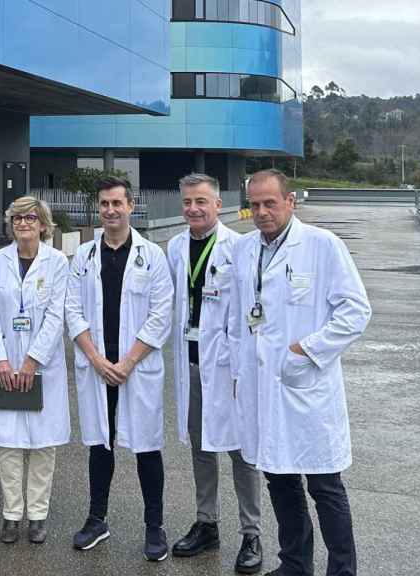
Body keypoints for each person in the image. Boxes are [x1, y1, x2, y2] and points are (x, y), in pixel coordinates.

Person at [229, 169, 371, 576]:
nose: (261, 212)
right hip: (263, 387)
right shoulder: (244, 250)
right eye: (254, 204)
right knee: (280, 480)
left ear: (290, 202)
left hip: (306, 386)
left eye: (270, 203)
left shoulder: (322, 245)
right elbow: (241, 317)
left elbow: (356, 311)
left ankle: (342, 570)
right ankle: (294, 564)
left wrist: (305, 350)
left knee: (325, 487)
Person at [66, 176, 174, 561]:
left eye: (117, 203)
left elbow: (162, 315)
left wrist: (127, 363)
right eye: (104, 204)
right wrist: (97, 359)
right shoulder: (84, 256)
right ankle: (97, 520)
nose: (110, 210)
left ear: (131, 205)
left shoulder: (152, 256)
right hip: (97, 367)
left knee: (147, 447)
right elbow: (72, 309)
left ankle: (155, 527)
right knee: (100, 443)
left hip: (135, 368)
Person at [166, 173, 263, 573]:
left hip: (227, 366)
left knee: (242, 451)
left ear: (218, 204)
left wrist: (244, 369)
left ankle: (251, 533)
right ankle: (207, 524)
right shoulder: (173, 247)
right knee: (201, 447)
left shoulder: (237, 248)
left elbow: (249, 313)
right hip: (191, 362)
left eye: (201, 201)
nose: (193, 209)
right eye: (188, 201)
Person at [0, 196, 70, 545]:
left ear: (43, 224)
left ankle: (37, 514)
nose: (23, 224)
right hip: (6, 364)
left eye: (30, 218)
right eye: (17, 218)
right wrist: (0, 360)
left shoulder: (57, 262)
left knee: (42, 443)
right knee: (9, 443)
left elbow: (55, 315)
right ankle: (10, 514)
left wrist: (33, 360)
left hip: (42, 366)